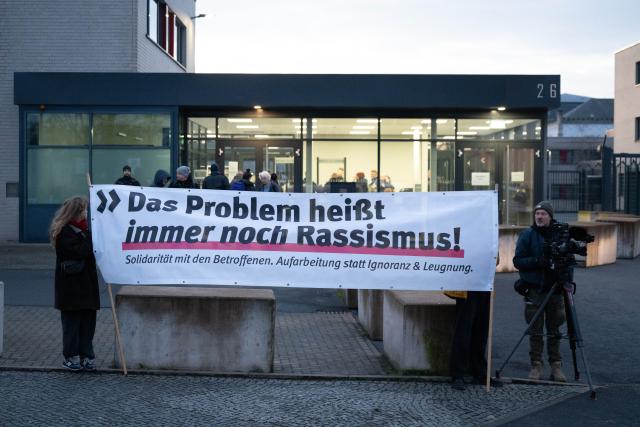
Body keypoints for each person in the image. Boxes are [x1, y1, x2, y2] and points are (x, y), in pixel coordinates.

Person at [513, 201, 567, 382]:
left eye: (543, 214)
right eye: (537, 214)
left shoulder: (560, 235)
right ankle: (536, 364)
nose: (539, 217)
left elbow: (568, 261)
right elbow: (518, 261)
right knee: (535, 330)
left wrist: (566, 282)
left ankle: (556, 366)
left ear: (550, 216)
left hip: (556, 291)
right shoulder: (527, 235)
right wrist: (538, 261)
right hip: (535, 290)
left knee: (555, 330)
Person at [49, 197, 100, 371]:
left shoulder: (84, 230)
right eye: (83, 210)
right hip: (71, 288)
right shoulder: (63, 232)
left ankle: (87, 356)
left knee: (87, 324)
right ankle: (71, 356)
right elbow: (81, 252)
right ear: (75, 213)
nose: (86, 213)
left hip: (87, 287)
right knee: (71, 325)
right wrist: (91, 240)